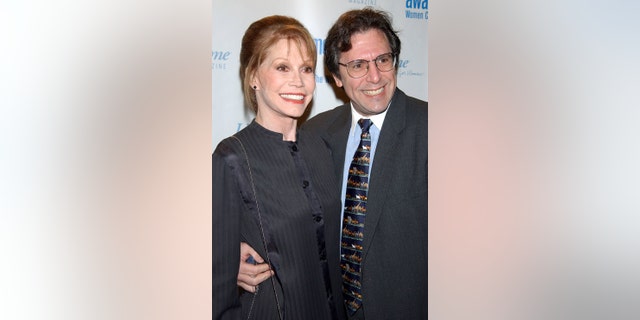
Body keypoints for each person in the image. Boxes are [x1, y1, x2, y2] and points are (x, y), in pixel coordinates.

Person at [238, 7, 428, 320]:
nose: (375, 76)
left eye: (383, 59)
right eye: (358, 65)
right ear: (337, 77)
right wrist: (228, 253)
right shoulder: (314, 134)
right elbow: (281, 215)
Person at [212, 15, 346, 320]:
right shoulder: (231, 158)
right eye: (282, 67)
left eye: (306, 69)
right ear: (253, 77)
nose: (298, 81)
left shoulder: (321, 146)